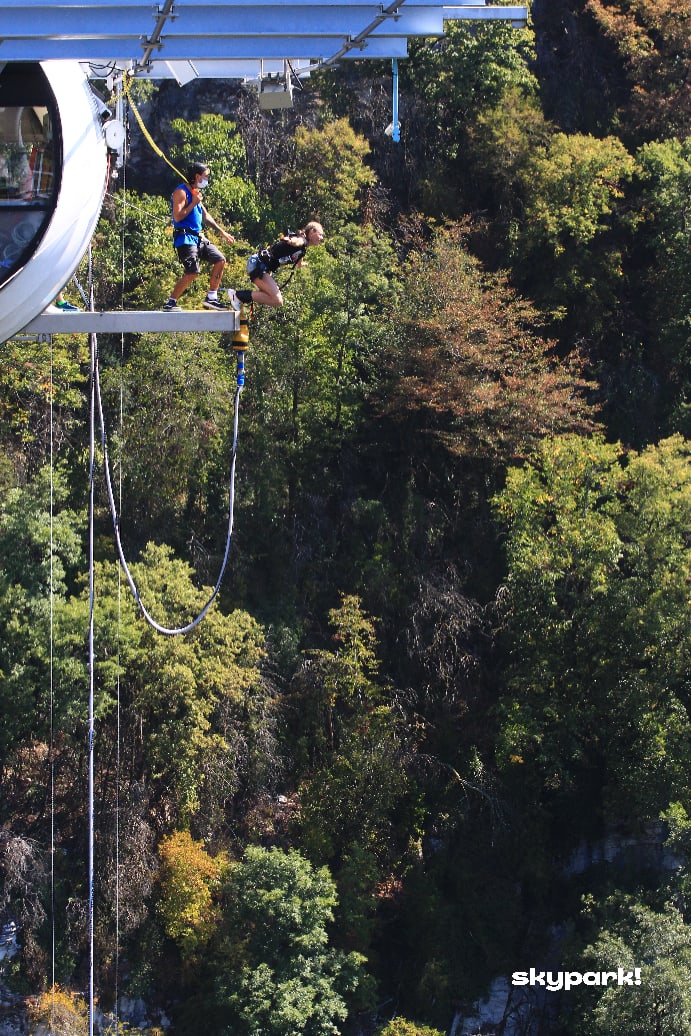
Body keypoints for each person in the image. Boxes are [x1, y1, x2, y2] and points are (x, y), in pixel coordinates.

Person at [163, 162, 236, 312]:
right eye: (205, 176)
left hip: (198, 237)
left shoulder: (195, 192)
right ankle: (170, 302)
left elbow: (205, 215)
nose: (207, 179)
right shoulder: (181, 192)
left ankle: (212, 297)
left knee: (220, 259)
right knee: (192, 272)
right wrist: (193, 203)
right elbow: (177, 217)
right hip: (185, 238)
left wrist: (221, 232)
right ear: (197, 176)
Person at [226, 222, 325, 310]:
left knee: (272, 298)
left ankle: (239, 297)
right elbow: (297, 242)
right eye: (320, 235)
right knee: (277, 301)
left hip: (261, 267)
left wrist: (302, 264)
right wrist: (290, 241)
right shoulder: (301, 240)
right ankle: (237, 295)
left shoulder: (302, 249)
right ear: (311, 232)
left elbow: (299, 260)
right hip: (258, 265)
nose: (322, 238)